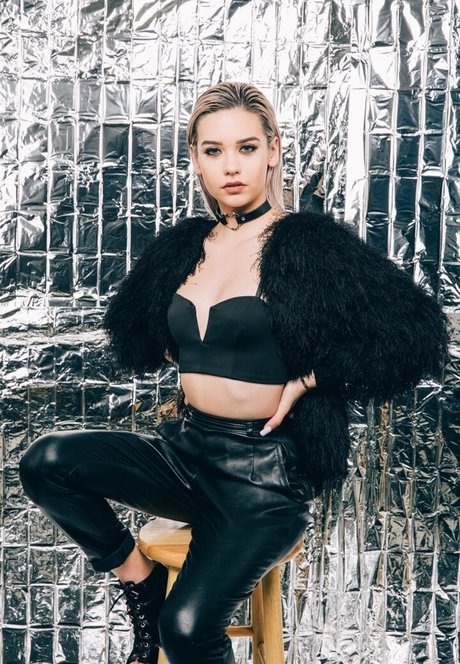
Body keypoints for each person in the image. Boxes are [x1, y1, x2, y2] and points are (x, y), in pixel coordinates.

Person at [18, 81, 450, 664]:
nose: (231, 166)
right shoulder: (185, 246)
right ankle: (141, 581)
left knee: (186, 630)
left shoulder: (307, 245)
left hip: (262, 477)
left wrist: (311, 378)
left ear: (272, 150)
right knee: (47, 461)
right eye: (214, 150)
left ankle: (169, 612)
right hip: (186, 455)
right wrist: (176, 343)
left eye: (246, 148)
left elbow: (419, 335)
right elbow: (131, 332)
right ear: (195, 159)